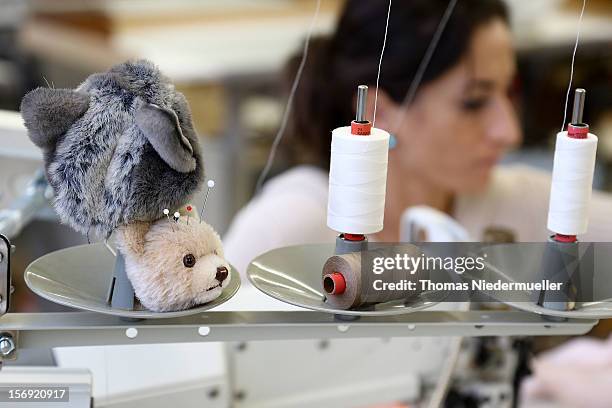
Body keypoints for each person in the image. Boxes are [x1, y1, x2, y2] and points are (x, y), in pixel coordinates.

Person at [224, 0, 611, 279]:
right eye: (474, 102)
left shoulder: (521, 205)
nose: (509, 131)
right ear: (381, 113)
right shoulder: (285, 230)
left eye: (508, 94)